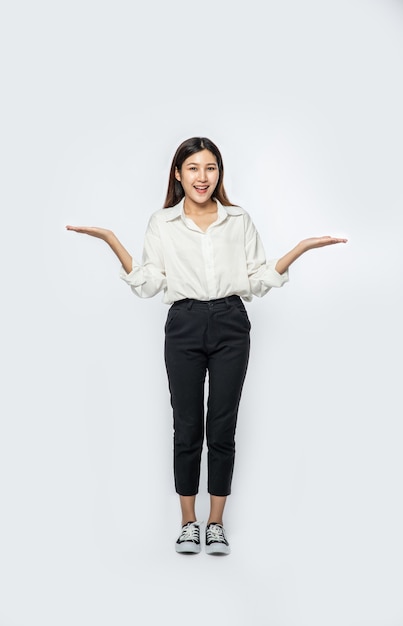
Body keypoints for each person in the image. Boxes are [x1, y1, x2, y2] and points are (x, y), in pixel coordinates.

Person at [66, 136, 347, 556]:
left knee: (222, 425)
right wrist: (111, 240)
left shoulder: (238, 220)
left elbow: (255, 279)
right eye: (193, 168)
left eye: (211, 167)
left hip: (232, 321)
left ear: (220, 173)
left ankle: (215, 523)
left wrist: (300, 249)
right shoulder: (163, 223)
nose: (203, 177)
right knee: (186, 427)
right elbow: (149, 283)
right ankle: (187, 522)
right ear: (178, 174)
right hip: (183, 323)